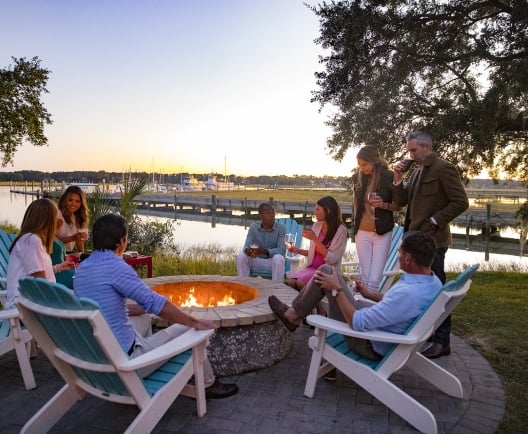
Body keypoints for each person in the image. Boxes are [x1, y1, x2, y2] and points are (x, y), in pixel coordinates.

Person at [74, 213, 238, 399]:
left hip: (98, 355)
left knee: (143, 316)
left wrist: (137, 309)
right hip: (125, 363)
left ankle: (153, 358)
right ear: (122, 242)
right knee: (191, 328)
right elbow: (156, 304)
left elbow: (102, 308)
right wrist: (195, 322)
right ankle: (208, 383)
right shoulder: (117, 267)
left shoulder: (84, 268)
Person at [268, 231, 442, 364]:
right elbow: (397, 306)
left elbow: (356, 322)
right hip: (381, 330)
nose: (398, 256)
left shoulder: (407, 294)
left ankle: (292, 316)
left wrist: (337, 289)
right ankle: (294, 314)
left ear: (408, 258)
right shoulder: (433, 282)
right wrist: (368, 294)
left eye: (399, 253)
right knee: (328, 270)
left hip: (369, 343)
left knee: (327, 275)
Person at [393, 130, 469, 359]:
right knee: (419, 292)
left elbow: (461, 202)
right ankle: (425, 333)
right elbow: (402, 201)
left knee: (437, 293)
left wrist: (435, 220)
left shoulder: (443, 169)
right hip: (415, 240)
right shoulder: (417, 173)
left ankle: (442, 342)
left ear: (426, 147)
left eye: (413, 150)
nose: (411, 155)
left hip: (433, 242)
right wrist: (397, 178)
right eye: (409, 151)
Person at [6, 199, 75, 309]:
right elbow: (41, 283)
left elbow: (34, 273)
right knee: (82, 304)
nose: (58, 220)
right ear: (47, 220)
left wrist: (58, 268)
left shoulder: (31, 239)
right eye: (55, 217)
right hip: (27, 307)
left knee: (80, 299)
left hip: (32, 302)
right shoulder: (31, 240)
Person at [352, 145, 400, 291]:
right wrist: (354, 228)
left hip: (382, 232)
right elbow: (355, 205)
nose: (362, 168)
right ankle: (362, 309)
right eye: (359, 165)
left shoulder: (388, 176)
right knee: (365, 276)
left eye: (364, 164)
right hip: (362, 232)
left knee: (374, 279)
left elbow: (398, 205)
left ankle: (367, 311)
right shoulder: (357, 178)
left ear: (374, 161)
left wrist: (383, 205)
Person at [236, 203, 286, 283]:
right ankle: (244, 286)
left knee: (279, 258)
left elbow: (282, 250)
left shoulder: (280, 228)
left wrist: (264, 251)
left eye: (273, 213)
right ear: (261, 216)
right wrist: (248, 251)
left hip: (271, 262)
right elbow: (246, 246)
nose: (272, 215)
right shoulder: (254, 227)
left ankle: (277, 288)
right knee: (241, 256)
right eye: (268, 213)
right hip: (256, 261)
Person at [56, 185, 90, 253]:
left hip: (67, 254)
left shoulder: (76, 216)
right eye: (70, 200)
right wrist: (72, 238)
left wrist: (82, 255)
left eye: (77, 201)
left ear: (81, 203)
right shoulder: (57, 215)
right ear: (64, 199)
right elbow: (51, 242)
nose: (73, 204)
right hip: (55, 255)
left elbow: (79, 240)